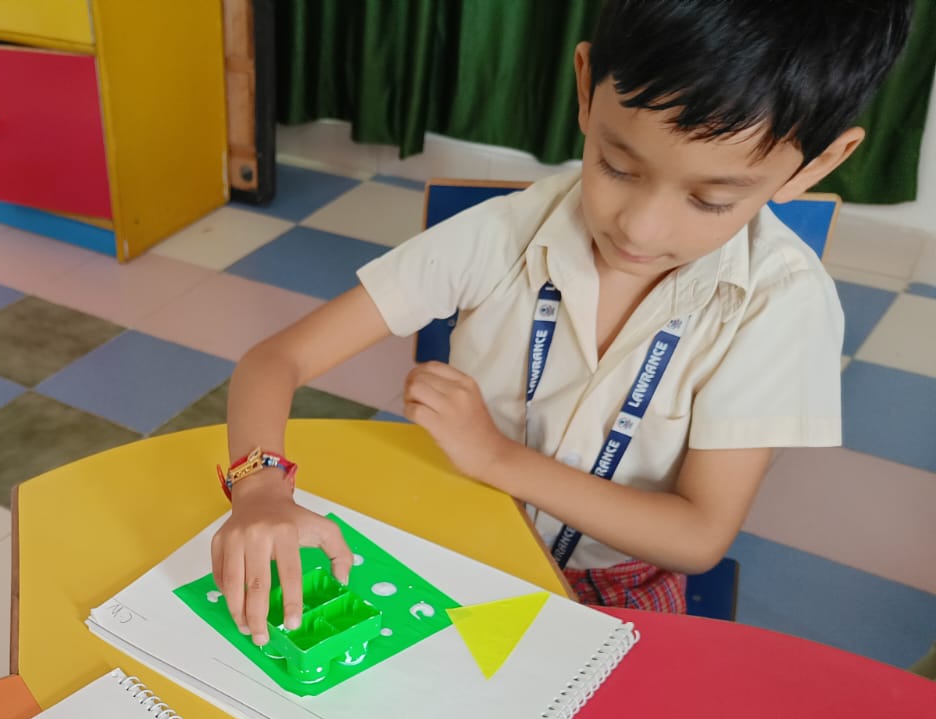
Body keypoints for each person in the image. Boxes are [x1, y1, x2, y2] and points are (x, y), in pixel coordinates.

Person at [212, 0, 912, 637]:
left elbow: (698, 536)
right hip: (458, 543)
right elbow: (275, 361)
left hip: (620, 585)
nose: (639, 227)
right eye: (617, 165)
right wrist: (260, 488)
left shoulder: (781, 303)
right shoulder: (505, 232)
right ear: (585, 86)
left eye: (710, 201)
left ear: (818, 163)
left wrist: (495, 456)